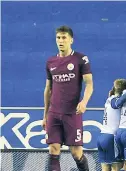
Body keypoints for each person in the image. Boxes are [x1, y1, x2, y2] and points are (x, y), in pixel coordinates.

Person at [42, 25, 93, 171]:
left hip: (72, 113)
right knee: (53, 149)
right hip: (54, 113)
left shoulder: (81, 59)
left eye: (64, 37)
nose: (60, 40)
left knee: (76, 153)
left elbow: (89, 84)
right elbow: (48, 90)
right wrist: (45, 115)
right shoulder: (50, 62)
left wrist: (84, 102)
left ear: (71, 40)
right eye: (58, 37)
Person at [97, 79, 126, 171]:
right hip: (111, 137)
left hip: (102, 136)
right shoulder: (116, 100)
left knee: (105, 168)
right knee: (117, 168)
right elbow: (117, 103)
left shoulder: (109, 99)